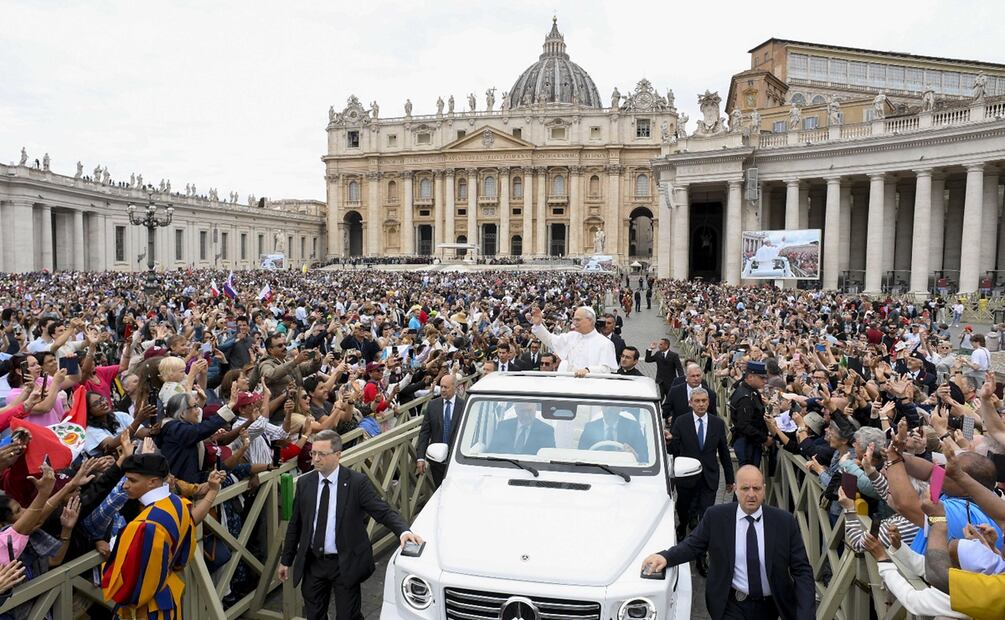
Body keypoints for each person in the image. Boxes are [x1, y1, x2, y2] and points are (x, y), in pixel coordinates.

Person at [278, 430, 423, 620]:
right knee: (314, 614)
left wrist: (403, 531)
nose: (315, 459)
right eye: (313, 453)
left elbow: (382, 510)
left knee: (348, 616)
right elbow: (296, 525)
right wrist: (286, 560)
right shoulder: (306, 483)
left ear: (338, 455)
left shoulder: (356, 482)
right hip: (314, 563)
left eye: (322, 454)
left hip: (344, 562)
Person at [642, 465, 815, 620]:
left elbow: (802, 570)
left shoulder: (784, 522)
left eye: (756, 488)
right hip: (731, 603)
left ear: (764, 489)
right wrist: (666, 557)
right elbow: (693, 545)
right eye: (745, 488)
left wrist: (806, 614)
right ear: (736, 490)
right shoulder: (716, 516)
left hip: (771, 605)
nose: (751, 494)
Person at [101, 453, 225, 620]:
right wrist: (212, 491)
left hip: (147, 610)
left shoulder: (145, 525)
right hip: (168, 598)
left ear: (152, 481)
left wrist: (113, 557)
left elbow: (129, 588)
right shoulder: (177, 503)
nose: (125, 485)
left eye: (132, 480)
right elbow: (191, 525)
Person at [667, 387, 734, 576]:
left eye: (704, 401)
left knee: (705, 517)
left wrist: (730, 479)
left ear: (708, 402)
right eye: (697, 401)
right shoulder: (681, 422)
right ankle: (682, 525)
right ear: (690, 403)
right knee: (685, 510)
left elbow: (724, 453)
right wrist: (669, 441)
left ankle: (700, 558)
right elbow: (674, 449)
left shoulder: (717, 423)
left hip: (709, 478)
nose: (701, 404)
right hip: (687, 476)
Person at [530, 306, 617, 376]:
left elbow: (605, 370)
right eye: (574, 319)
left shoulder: (605, 343)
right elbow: (550, 340)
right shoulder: (571, 336)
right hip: (570, 386)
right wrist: (538, 325)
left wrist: (588, 370)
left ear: (590, 321)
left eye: (578, 320)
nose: (574, 323)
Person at [415, 374, 466, 486]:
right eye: (441, 386)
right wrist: (420, 458)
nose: (442, 390)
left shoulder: (464, 406)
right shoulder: (433, 405)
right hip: (437, 461)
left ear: (455, 387)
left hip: (457, 460)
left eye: (446, 387)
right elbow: (424, 433)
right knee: (439, 491)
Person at [730, 361, 770, 468]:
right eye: (761, 378)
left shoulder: (750, 391)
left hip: (751, 442)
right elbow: (744, 426)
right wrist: (764, 439)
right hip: (747, 444)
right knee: (749, 477)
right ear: (751, 377)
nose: (765, 381)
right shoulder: (746, 398)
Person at [578, 405, 649, 462]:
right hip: (598, 469)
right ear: (601, 407)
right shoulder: (590, 427)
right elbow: (580, 455)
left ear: (620, 407)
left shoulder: (633, 427)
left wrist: (634, 454)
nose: (609, 409)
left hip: (624, 470)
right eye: (606, 405)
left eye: (612, 405)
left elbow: (644, 457)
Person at [487, 402, 555, 455]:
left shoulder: (546, 431)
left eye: (529, 411)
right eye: (522, 411)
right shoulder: (503, 426)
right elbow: (492, 451)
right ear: (516, 410)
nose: (526, 415)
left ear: (535, 409)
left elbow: (548, 458)